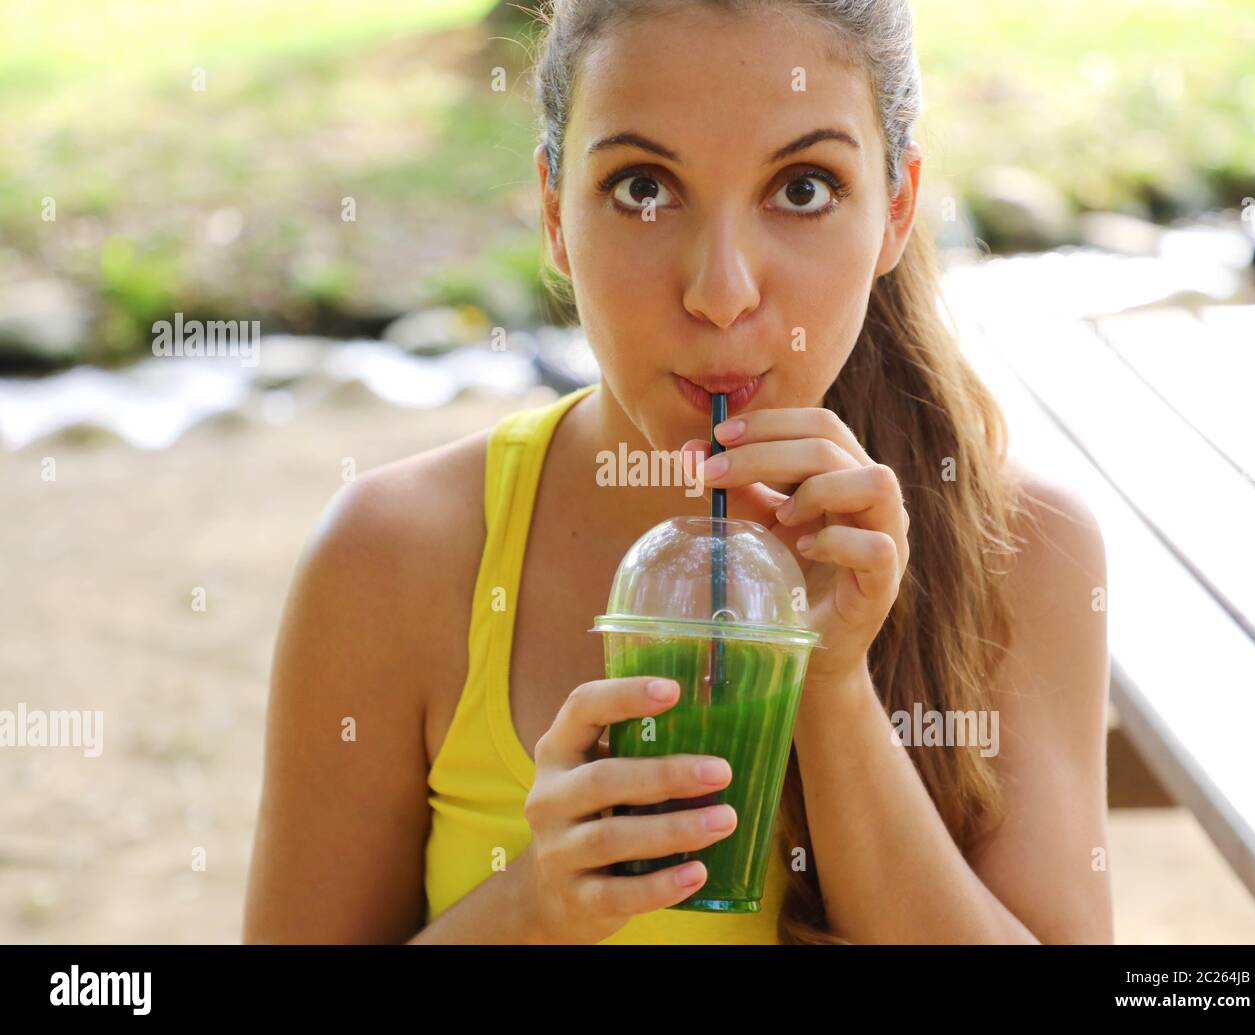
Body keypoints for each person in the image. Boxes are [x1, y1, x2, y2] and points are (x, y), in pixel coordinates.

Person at [243, 0, 1112, 945]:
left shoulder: (1024, 548)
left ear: (896, 208)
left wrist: (828, 689)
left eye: (805, 187)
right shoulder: (393, 557)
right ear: (554, 214)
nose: (722, 291)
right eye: (644, 188)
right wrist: (538, 903)